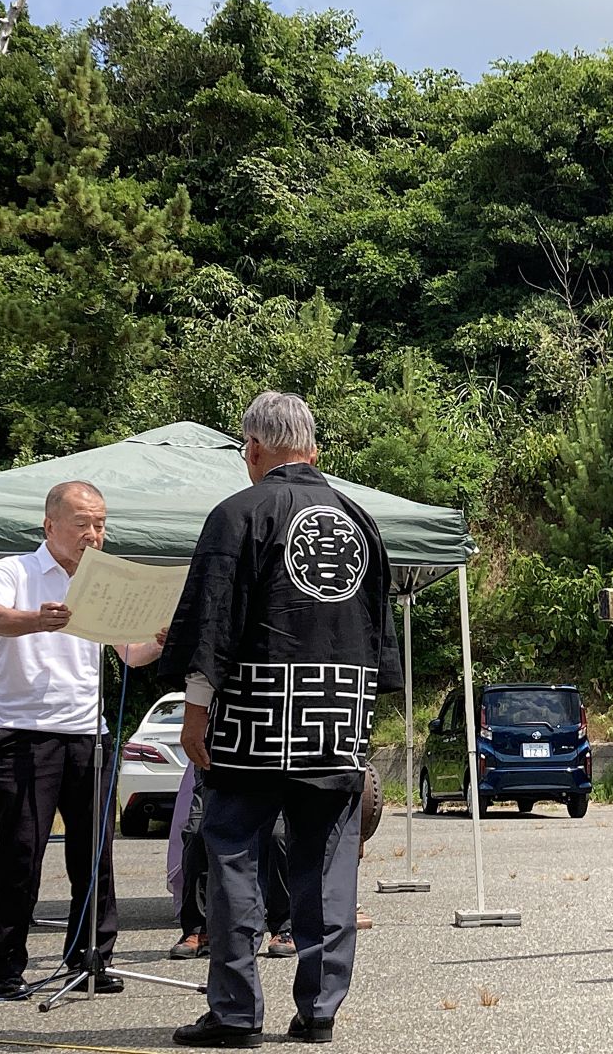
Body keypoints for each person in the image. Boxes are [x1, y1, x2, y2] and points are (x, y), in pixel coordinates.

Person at [161, 392, 402, 1048]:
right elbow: (379, 639)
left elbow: (214, 624)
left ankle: (236, 1015)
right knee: (328, 862)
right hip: (335, 722)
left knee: (235, 855)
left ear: (254, 450)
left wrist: (195, 713)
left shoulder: (237, 514)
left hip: (252, 722)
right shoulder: (360, 519)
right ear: (315, 451)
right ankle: (320, 1010)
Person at [0, 480, 164, 999]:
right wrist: (37, 620)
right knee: (20, 852)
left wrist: (157, 642)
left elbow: (127, 654)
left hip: (88, 733)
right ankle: (3, 968)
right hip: (23, 732)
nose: (93, 534)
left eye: (101, 524)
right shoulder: (13, 570)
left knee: (95, 852)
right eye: (82, 523)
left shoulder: (103, 580)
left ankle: (91, 958)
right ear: (50, 525)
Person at [169, 766, 293, 961]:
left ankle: (285, 927)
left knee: (277, 836)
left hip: (271, 763)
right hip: (219, 759)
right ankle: (197, 929)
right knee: (196, 834)